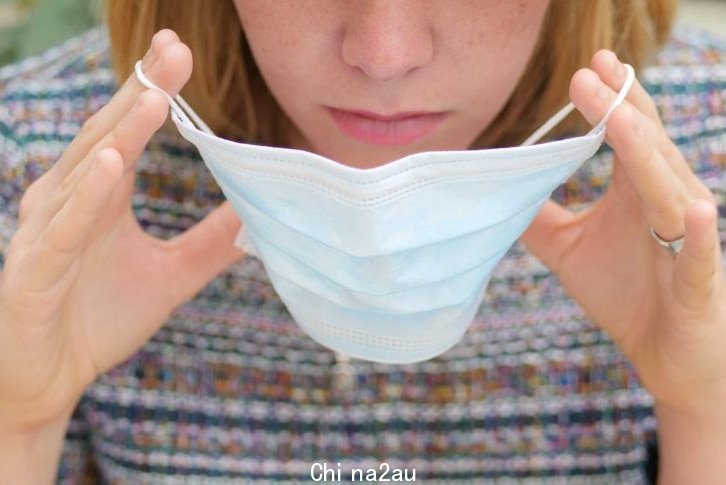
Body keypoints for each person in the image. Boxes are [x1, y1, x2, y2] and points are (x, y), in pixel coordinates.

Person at [1, 0, 724, 483]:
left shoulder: (705, 159)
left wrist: (703, 407)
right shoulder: (41, 169)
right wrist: (20, 418)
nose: (384, 54)